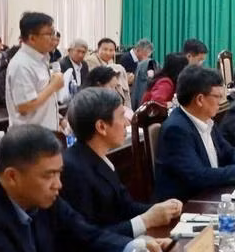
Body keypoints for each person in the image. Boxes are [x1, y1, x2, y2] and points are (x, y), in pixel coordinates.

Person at [0, 124, 172, 252]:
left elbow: (87, 235)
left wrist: (135, 248)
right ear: (12, 176)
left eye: (59, 173)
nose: (58, 184)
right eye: (49, 175)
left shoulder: (41, 194)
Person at [60, 88, 182, 238]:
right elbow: (88, 237)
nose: (126, 123)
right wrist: (145, 220)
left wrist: (161, 209)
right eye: (121, 116)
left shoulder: (99, 157)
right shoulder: (73, 170)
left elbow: (125, 207)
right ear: (101, 127)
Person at [154, 66, 235, 201]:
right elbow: (199, 176)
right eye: (218, 97)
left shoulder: (206, 120)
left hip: (211, 194)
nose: (221, 102)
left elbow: (228, 152)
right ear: (200, 100)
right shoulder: (176, 130)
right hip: (188, 205)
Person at [6, 12, 63, 131]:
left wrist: (60, 120)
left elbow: (43, 99)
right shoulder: (21, 64)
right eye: (49, 34)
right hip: (29, 139)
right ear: (32, 38)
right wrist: (53, 86)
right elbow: (25, 106)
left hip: (44, 134)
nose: (54, 38)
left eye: (53, 32)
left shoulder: (40, 59)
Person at [85, 38, 132, 108]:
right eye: (105, 49)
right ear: (98, 49)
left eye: (111, 50)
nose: (108, 53)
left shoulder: (110, 60)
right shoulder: (91, 60)